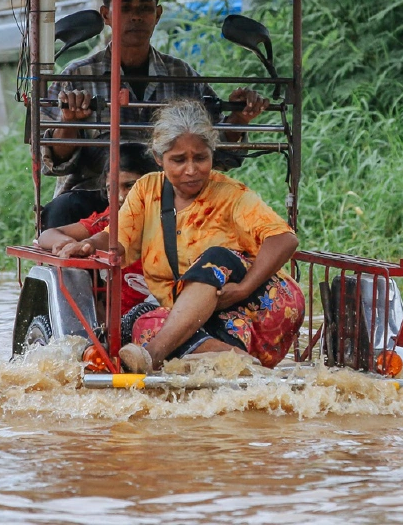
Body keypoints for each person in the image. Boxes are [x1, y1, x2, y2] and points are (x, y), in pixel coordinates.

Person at [63, 98, 304, 373]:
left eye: (200, 158)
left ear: (212, 155)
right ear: (158, 159)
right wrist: (88, 244)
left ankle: (152, 356)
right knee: (144, 323)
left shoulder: (232, 195)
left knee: (214, 258)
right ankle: (237, 362)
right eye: (179, 160)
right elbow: (116, 236)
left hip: (261, 305)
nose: (191, 169)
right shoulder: (146, 190)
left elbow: (285, 239)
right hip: (207, 321)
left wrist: (244, 287)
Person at [39, 0, 267, 230]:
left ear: (157, 14)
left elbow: (217, 152)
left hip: (172, 200)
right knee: (59, 214)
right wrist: (70, 120)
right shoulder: (77, 76)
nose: (135, 16)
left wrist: (240, 117)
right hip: (94, 195)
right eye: (124, 7)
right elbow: (54, 161)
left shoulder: (181, 75)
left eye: (144, 7)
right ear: (106, 15)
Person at [35, 143, 159, 314]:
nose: (121, 197)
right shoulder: (108, 219)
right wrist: (70, 243)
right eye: (112, 189)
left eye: (130, 186)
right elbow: (46, 236)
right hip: (119, 321)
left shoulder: (174, 218)